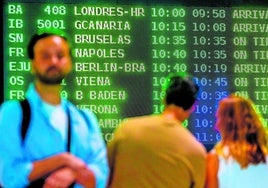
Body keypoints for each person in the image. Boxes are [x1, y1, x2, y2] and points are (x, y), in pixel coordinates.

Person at [0, 30, 109, 188]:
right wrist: (62, 160)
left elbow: (101, 176)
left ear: (69, 63)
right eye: (45, 56)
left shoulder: (86, 119)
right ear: (32, 64)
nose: (53, 61)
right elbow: (8, 175)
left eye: (60, 55)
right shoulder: (12, 113)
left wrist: (72, 173)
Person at [107, 73, 207, 188]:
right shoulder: (196, 150)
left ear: (163, 98)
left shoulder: (126, 129)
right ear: (193, 105)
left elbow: (103, 174)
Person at [206, 94, 268, 188]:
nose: (216, 125)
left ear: (225, 123)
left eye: (218, 118)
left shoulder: (215, 160)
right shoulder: (265, 156)